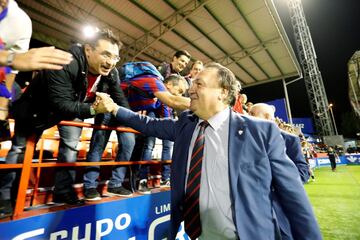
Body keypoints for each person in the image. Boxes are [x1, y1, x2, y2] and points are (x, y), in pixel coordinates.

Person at [94, 62, 322, 240]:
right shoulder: (186, 124)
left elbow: (293, 197)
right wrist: (114, 108)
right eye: (192, 83)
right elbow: (148, 125)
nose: (190, 89)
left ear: (222, 92)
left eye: (199, 84)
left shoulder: (261, 131)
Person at [0, 29, 129, 217]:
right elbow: (62, 104)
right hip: (35, 110)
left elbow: (120, 99)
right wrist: (93, 109)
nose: (111, 62)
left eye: (115, 57)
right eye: (106, 54)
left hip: (69, 110)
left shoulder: (111, 73)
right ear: (88, 50)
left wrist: (132, 120)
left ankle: (63, 192)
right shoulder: (65, 62)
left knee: (70, 148)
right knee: (19, 150)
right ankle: (4, 198)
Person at [0, 0, 73, 121]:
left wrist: (2, 107)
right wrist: (11, 58)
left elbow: (10, 71)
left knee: (16, 95)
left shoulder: (20, 22)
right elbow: (11, 60)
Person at [249, 102, 310, 240]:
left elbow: (303, 172)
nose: (248, 116)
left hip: (281, 208)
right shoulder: (246, 139)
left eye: (252, 114)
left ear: (267, 117)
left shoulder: (290, 140)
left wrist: (275, 182)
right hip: (252, 211)